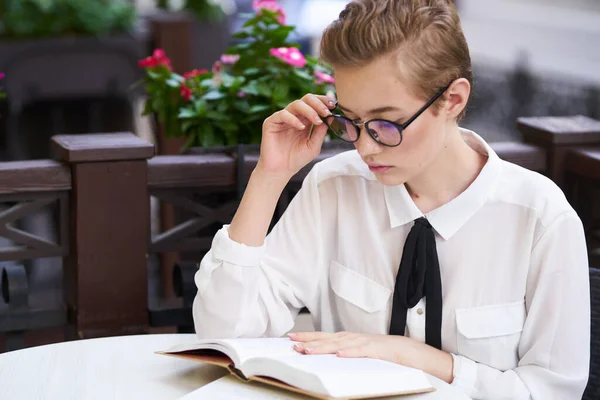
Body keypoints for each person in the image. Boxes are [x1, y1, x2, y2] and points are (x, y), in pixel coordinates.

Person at [192, 1, 591, 399]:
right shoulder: (333, 188)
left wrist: (418, 358)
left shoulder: (540, 219)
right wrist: (269, 177)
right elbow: (225, 332)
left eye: (386, 123)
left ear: (452, 100)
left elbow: (552, 392)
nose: (365, 147)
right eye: (350, 120)